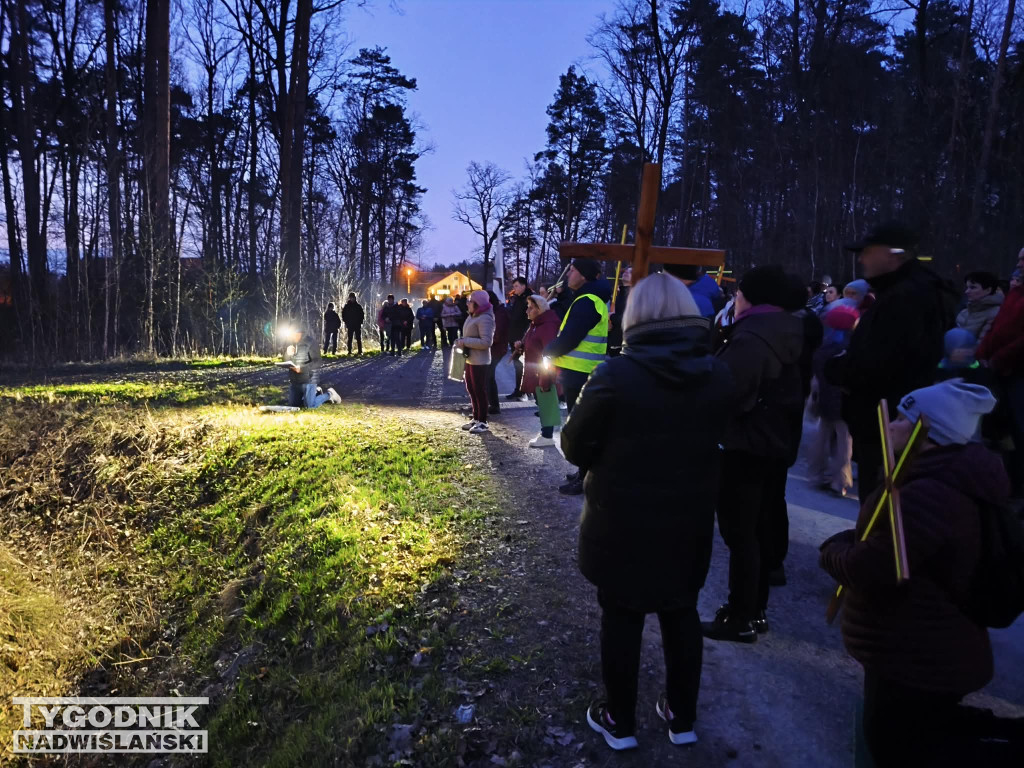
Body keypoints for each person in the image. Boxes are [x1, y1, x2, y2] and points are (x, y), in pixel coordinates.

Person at [561, 272, 735, 752]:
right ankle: (682, 717)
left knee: (622, 616)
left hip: (621, 521)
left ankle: (620, 720)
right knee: (680, 611)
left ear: (634, 316)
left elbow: (575, 447)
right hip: (688, 518)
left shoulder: (615, 375)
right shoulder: (717, 373)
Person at [818, 379, 1024, 768]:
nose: (891, 424)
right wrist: (855, 539)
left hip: (919, 653)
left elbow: (870, 568)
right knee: (919, 730)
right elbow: (884, 543)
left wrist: (831, 550)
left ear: (927, 433)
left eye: (901, 418)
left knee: (902, 747)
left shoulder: (928, 494)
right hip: (920, 646)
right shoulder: (935, 479)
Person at [701, 264, 804, 643]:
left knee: (740, 533)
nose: (734, 299)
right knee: (755, 530)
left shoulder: (753, 338)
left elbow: (726, 390)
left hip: (744, 444)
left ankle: (740, 616)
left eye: (738, 293)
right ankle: (754, 610)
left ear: (752, 296)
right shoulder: (785, 328)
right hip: (771, 442)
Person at [830, 222, 958, 502]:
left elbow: (884, 361)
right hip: (886, 419)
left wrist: (841, 369)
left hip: (888, 423)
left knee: (881, 511)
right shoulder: (904, 292)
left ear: (893, 254)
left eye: (867, 252)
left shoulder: (908, 297)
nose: (861, 259)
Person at [544, 258, 613, 495]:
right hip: (581, 370)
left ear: (583, 275)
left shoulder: (587, 301)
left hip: (580, 372)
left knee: (582, 427)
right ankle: (583, 471)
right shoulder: (590, 299)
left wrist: (548, 351)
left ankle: (585, 477)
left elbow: (571, 337)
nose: (567, 275)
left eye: (571, 271)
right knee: (582, 424)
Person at [809, 304, 859, 497]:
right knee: (844, 441)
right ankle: (840, 481)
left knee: (821, 435)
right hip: (843, 398)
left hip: (824, 395)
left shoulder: (824, 346)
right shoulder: (849, 347)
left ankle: (816, 474)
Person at [515, 293, 560, 447]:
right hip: (536, 371)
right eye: (528, 307)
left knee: (546, 401)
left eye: (531, 308)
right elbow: (533, 343)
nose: (527, 311)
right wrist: (521, 346)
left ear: (540, 309)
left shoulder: (547, 325)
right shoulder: (536, 324)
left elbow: (550, 351)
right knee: (542, 402)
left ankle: (547, 436)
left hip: (543, 371)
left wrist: (546, 375)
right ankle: (545, 433)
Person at [455, 290, 495, 434]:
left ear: (477, 303)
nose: (467, 304)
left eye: (470, 301)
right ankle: (476, 418)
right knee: (471, 389)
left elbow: (486, 342)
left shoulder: (485, 318)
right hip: (470, 358)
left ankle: (483, 421)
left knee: (479, 390)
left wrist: (465, 341)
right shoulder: (472, 316)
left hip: (480, 360)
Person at [281, 325, 334, 408]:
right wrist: (287, 354)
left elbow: (318, 361)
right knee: (293, 406)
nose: (291, 337)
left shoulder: (310, 343)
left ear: (299, 333)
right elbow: (286, 361)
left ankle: (329, 394)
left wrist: (302, 369)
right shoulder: (291, 343)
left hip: (308, 380)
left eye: (293, 334)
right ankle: (316, 393)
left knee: (309, 406)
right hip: (295, 381)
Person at [957, 271, 1002, 345]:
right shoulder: (964, 312)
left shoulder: (996, 314)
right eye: (967, 287)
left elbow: (983, 346)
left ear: (988, 290)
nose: (967, 291)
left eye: (973, 287)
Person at [505, 277, 533, 400]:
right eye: (514, 286)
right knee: (517, 365)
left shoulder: (529, 299)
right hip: (514, 336)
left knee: (523, 365)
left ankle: (524, 390)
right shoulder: (518, 299)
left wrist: (522, 338)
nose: (514, 289)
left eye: (516, 286)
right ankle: (519, 389)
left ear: (523, 286)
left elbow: (528, 320)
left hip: (521, 337)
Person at [485, 290, 509, 414]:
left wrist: (484, 341)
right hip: (493, 348)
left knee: (489, 376)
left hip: (496, 348)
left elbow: (497, 334)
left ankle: (494, 405)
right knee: (488, 376)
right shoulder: (495, 312)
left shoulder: (499, 313)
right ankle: (491, 403)